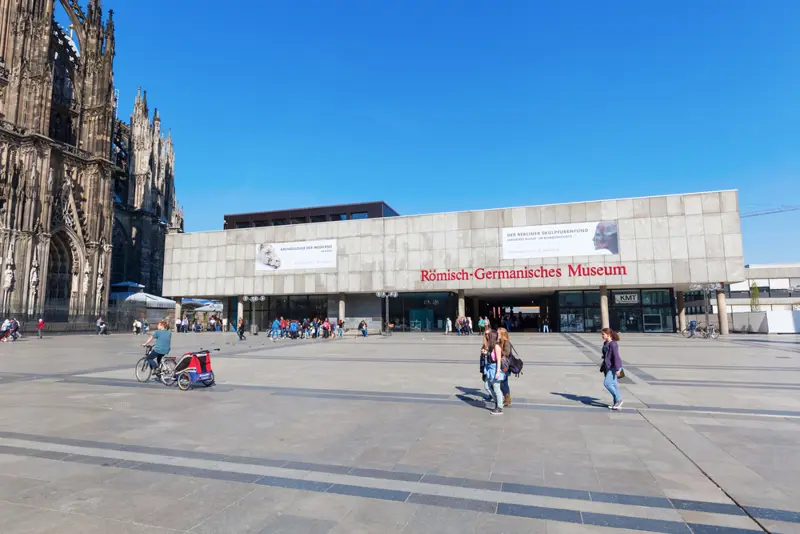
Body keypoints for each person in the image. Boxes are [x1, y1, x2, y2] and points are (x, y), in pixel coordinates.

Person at [482, 329, 506, 415]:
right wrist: (485, 353)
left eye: (489, 335)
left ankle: (499, 407)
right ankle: (497, 401)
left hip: (495, 368)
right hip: (489, 368)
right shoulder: (490, 346)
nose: (487, 336)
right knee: (487, 386)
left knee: (496, 388)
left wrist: (497, 372)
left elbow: (499, 360)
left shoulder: (496, 346)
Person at [601, 328, 624, 410]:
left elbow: (616, 356)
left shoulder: (613, 344)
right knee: (614, 384)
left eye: (603, 334)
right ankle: (616, 403)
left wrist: (618, 369)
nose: (602, 336)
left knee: (607, 383)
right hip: (608, 366)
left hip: (614, 367)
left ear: (609, 334)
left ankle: (619, 400)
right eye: (602, 334)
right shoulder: (606, 343)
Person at [497, 327, 513, 407]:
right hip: (501, 365)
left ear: (502, 334)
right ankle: (507, 398)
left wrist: (498, 349)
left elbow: (507, 353)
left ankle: (507, 399)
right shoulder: (500, 342)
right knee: (504, 382)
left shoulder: (506, 342)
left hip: (505, 365)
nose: (497, 334)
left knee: (503, 383)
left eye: (498, 333)